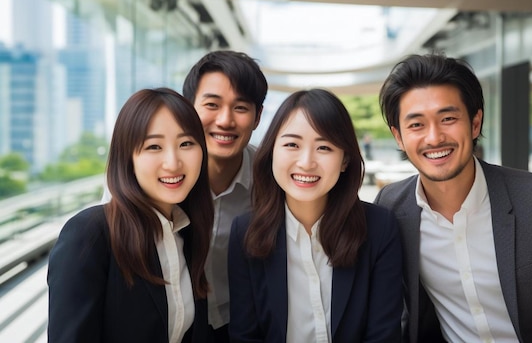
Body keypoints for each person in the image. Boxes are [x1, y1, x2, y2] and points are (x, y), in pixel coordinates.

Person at [374, 53, 532, 342]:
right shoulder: (392, 206)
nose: (434, 138)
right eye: (416, 125)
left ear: (475, 123)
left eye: (448, 118)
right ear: (398, 137)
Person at [228, 88, 403, 342]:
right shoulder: (245, 233)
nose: (306, 162)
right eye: (292, 144)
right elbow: (245, 336)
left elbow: (383, 335)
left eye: (324, 147)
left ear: (345, 161)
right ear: (271, 152)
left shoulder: (380, 228)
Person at [48, 88, 214, 343]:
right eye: (154, 146)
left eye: (186, 144)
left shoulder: (187, 232)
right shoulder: (90, 234)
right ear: (128, 157)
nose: (173, 162)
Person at [182, 50, 268, 341]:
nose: (225, 120)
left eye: (241, 107)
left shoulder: (272, 183)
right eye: (212, 105)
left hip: (246, 324)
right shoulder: (161, 176)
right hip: (172, 321)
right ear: (188, 109)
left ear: (257, 118)